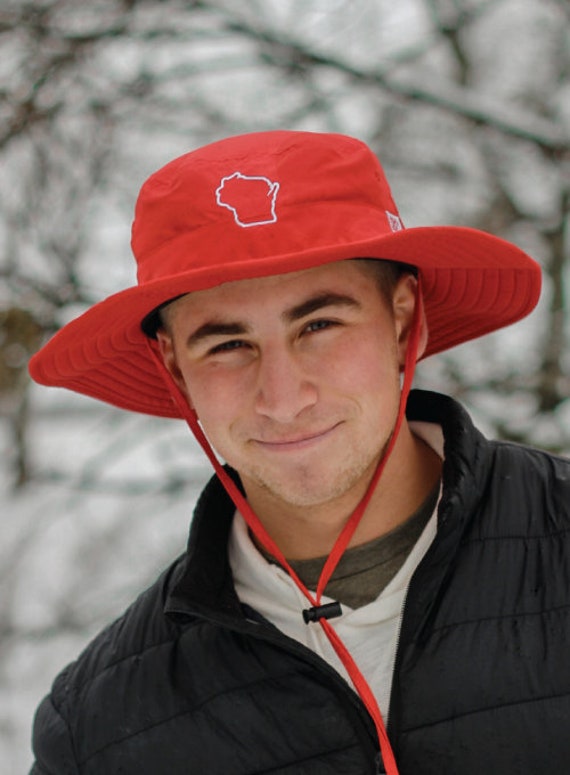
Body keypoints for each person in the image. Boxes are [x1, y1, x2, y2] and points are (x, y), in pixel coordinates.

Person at [28, 130, 570, 775]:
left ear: (402, 318)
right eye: (226, 345)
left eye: (319, 325)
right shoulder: (98, 725)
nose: (283, 398)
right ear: (173, 366)